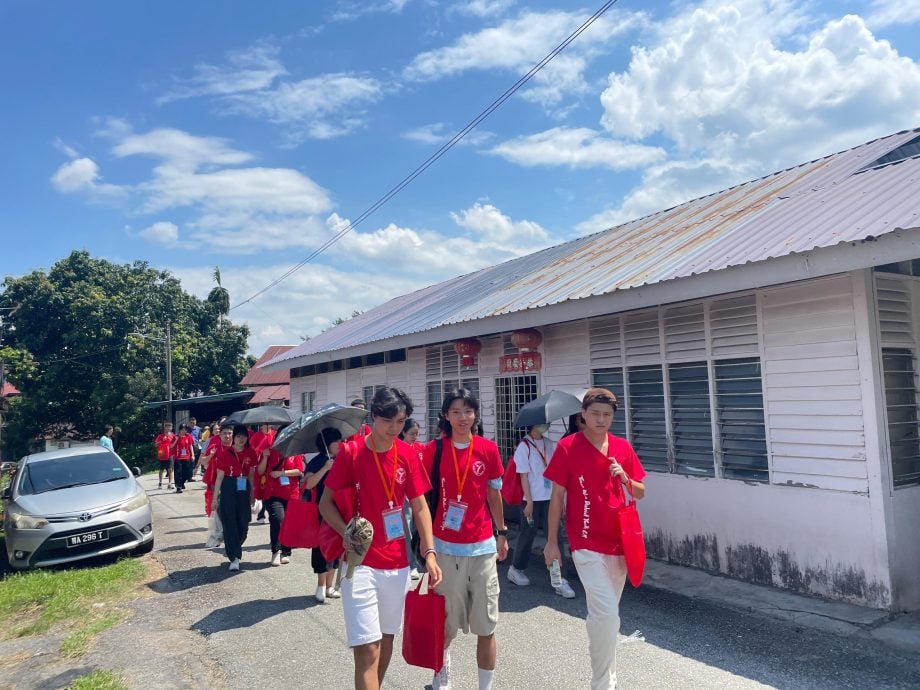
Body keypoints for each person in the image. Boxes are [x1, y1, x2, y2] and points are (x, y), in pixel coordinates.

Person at [320, 387, 442, 690]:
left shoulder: (408, 454)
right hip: (359, 562)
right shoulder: (351, 453)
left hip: (397, 564)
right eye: (388, 420)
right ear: (373, 416)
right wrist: (346, 533)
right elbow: (325, 503)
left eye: (400, 421)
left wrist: (429, 552)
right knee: (368, 649)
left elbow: (420, 506)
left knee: (386, 641)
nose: (394, 428)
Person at [543, 388, 646, 690]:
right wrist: (552, 542)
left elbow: (640, 491)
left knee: (604, 617)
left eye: (607, 415)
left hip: (620, 541)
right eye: (596, 414)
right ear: (583, 416)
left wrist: (625, 477)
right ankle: (604, 685)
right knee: (608, 615)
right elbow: (557, 497)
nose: (601, 420)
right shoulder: (568, 447)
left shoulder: (622, 447)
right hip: (585, 541)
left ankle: (605, 678)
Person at [423, 388, 508, 690]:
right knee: (444, 622)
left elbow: (493, 494)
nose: (463, 418)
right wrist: (426, 544)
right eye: (456, 412)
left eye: (468, 411)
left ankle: (485, 686)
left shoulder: (488, 449)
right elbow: (419, 499)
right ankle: (441, 677)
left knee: (487, 624)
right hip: (444, 550)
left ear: (475, 415)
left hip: (482, 547)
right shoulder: (433, 450)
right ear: (446, 415)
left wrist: (502, 532)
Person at [507, 424, 575, 598]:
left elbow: (556, 472)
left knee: (554, 537)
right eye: (541, 423)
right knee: (527, 534)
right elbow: (523, 476)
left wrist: (560, 500)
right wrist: (529, 502)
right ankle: (516, 568)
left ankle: (559, 579)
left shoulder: (549, 444)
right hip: (531, 500)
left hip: (550, 498)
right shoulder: (524, 446)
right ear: (532, 425)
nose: (545, 425)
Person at [304, 427, 343, 602]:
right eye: (337, 441)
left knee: (336, 546)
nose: (340, 444)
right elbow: (308, 484)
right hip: (320, 510)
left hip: (339, 509)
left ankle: (330, 586)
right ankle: (320, 585)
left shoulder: (341, 460)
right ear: (328, 443)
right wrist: (325, 468)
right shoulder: (317, 461)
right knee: (321, 547)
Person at [212, 425, 258, 571]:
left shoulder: (251, 453)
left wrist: (253, 494)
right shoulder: (225, 454)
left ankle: (234, 545)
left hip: (244, 488)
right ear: (233, 438)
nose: (241, 439)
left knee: (244, 523)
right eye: (238, 436)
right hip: (229, 487)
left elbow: (251, 476)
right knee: (229, 522)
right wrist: (214, 499)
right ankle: (234, 557)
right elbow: (219, 477)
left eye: (243, 436)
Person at [259, 437, 304, 567]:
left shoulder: (294, 451)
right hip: (273, 493)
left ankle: (286, 551)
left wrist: (281, 473)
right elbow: (260, 471)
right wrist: (265, 457)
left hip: (291, 493)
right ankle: (276, 551)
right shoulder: (269, 451)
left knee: (288, 523)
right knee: (278, 520)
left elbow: (299, 471)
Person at [399, 418, 424, 579]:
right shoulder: (397, 448)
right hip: (404, 495)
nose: (415, 437)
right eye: (412, 434)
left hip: (419, 493)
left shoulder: (420, 448)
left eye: (417, 434)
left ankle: (419, 559)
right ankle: (410, 563)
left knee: (418, 529)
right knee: (407, 530)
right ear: (403, 432)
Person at [201, 423, 230, 517]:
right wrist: (210, 455)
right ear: (220, 435)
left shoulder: (236, 447)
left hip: (231, 480)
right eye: (224, 433)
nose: (227, 436)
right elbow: (203, 461)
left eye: (229, 433)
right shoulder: (214, 447)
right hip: (215, 480)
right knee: (218, 503)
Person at [173, 424, 195, 494]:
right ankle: (178, 487)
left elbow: (190, 445)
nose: (183, 431)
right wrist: (176, 440)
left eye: (185, 430)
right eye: (182, 430)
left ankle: (182, 482)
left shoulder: (188, 436)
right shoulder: (175, 436)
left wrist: (192, 455)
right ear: (179, 430)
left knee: (187, 472)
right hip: (178, 457)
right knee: (178, 472)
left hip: (186, 456)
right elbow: (171, 446)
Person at [154, 422, 176, 489]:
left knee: (170, 469)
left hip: (170, 454)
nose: (168, 428)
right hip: (162, 455)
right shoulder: (160, 436)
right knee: (161, 469)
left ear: (171, 428)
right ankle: (160, 482)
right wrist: (161, 441)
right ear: (165, 428)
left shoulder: (173, 436)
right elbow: (155, 445)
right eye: (167, 427)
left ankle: (170, 483)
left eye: (170, 427)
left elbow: (176, 444)